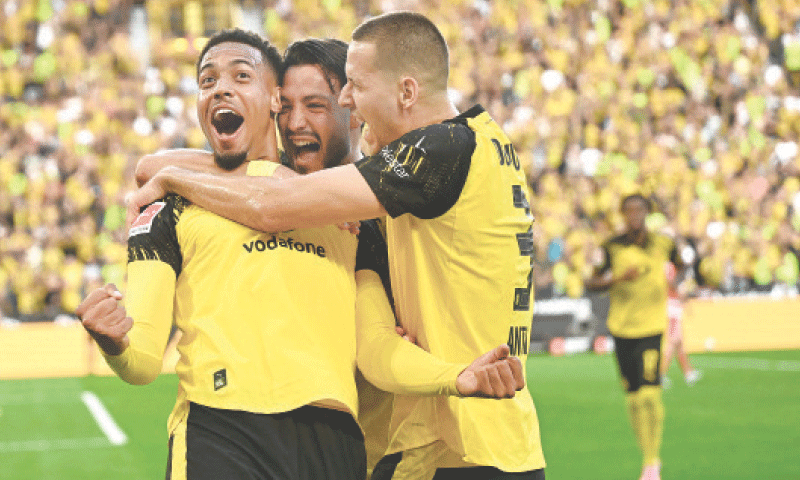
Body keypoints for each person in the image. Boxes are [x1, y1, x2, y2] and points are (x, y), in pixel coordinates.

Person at [79, 29, 522, 480]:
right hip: (222, 430)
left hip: (349, 447)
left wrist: (452, 375)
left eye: (315, 106)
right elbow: (142, 356)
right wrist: (116, 342)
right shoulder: (172, 205)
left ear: (353, 114)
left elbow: (375, 346)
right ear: (275, 104)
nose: (294, 122)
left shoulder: (360, 214)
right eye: (207, 80)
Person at [586, 193, 684, 480]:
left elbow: (685, 265)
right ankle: (648, 457)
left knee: (649, 395)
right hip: (622, 329)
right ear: (622, 214)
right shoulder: (611, 247)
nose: (634, 215)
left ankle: (652, 462)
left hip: (652, 328)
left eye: (639, 210)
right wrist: (617, 279)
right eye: (628, 210)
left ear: (647, 212)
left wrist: (675, 282)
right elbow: (591, 282)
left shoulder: (663, 244)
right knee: (632, 399)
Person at [661, 262, 701, 389]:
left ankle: (688, 373)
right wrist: (685, 288)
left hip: (673, 305)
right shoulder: (669, 266)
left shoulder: (667, 265)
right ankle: (660, 375)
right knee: (673, 341)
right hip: (672, 306)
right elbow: (672, 285)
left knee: (679, 343)